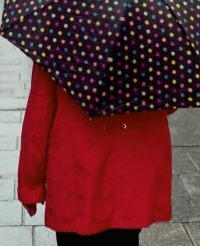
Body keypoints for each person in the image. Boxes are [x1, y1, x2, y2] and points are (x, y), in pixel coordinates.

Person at [18, 65, 173, 246]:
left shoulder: (57, 41)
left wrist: (31, 183)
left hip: (76, 174)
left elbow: (40, 112)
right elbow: (169, 105)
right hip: (130, 177)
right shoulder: (151, 42)